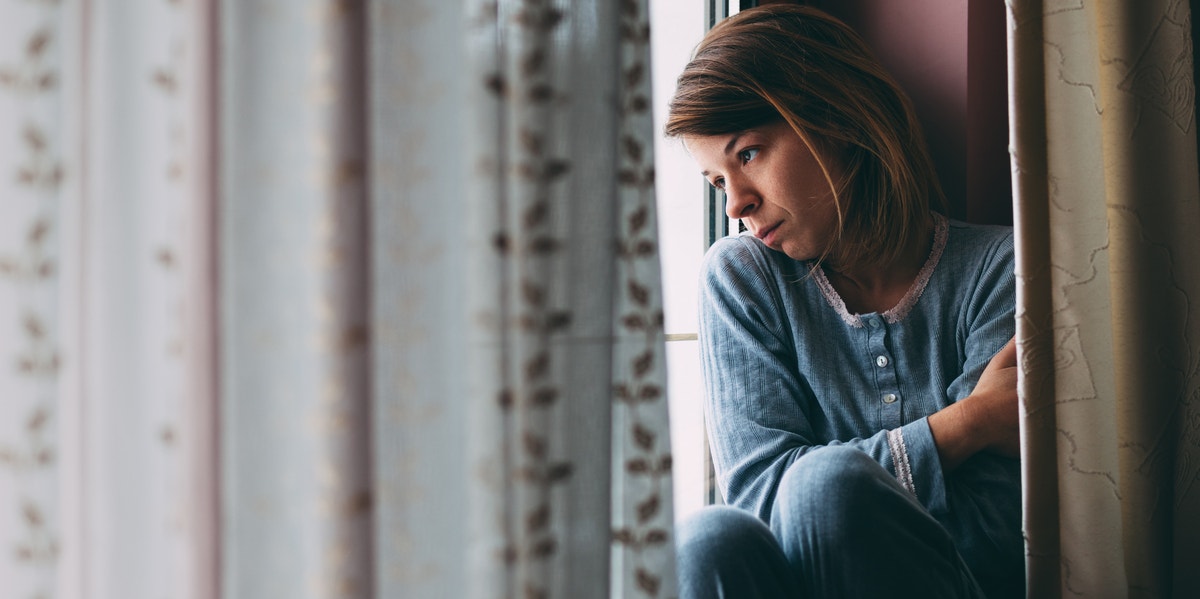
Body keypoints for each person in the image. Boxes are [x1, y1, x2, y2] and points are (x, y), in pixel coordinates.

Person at [665, 5, 1023, 598]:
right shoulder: (743, 280)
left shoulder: (998, 271)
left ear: (835, 118)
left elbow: (995, 531)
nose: (735, 206)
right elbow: (760, 504)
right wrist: (966, 424)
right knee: (702, 542)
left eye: (748, 154)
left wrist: (849, 494)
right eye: (718, 183)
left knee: (824, 486)